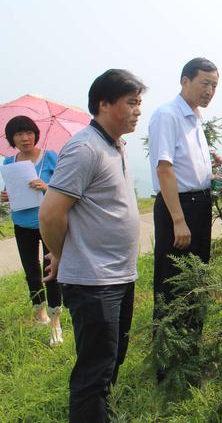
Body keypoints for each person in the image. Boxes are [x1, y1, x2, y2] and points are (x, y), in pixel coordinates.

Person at [39, 69, 145, 422]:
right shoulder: (85, 148)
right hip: (94, 281)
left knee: (112, 362)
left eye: (139, 103)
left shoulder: (115, 144)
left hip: (119, 276)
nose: (137, 110)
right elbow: (51, 214)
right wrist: (60, 253)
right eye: (131, 102)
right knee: (94, 372)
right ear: (103, 104)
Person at [148, 57, 219, 380]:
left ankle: (190, 353)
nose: (210, 91)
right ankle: (167, 364)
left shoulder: (195, 118)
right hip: (180, 208)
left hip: (199, 205)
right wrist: (178, 219)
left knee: (195, 280)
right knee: (173, 283)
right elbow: (165, 168)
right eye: (205, 83)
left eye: (214, 85)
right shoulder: (168, 115)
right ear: (184, 81)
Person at [2, 115, 62, 346]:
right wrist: (4, 195)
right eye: (18, 134)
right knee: (31, 271)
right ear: (12, 139)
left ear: (35, 134)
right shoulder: (9, 163)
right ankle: (40, 313)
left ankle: (56, 321)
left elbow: (65, 188)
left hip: (48, 223)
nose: (25, 138)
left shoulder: (50, 157)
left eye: (28, 132)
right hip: (22, 223)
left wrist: (47, 186)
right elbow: (11, 191)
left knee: (51, 271)